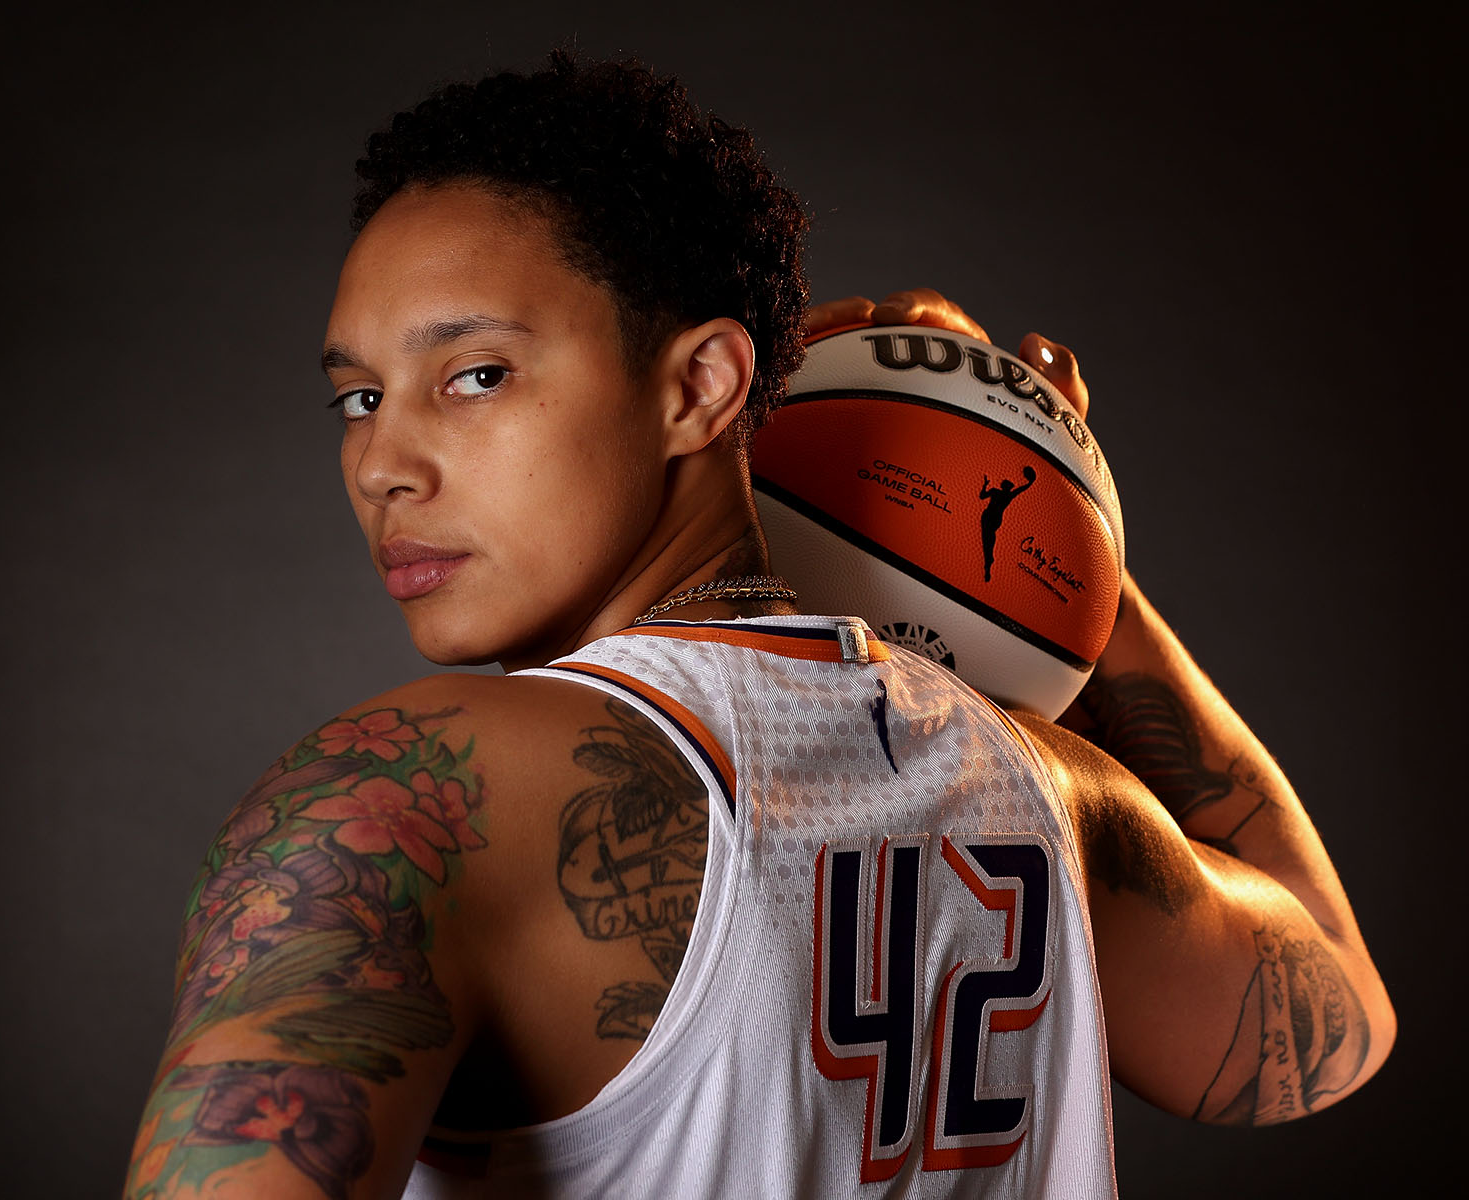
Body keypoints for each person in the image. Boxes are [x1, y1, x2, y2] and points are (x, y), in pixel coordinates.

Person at [123, 54, 1394, 1200]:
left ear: (701, 386)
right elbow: (1330, 1013)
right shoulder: (1047, 792)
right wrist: (1061, 536)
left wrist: (1057, 522)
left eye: (475, 375)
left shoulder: (401, 801)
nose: (383, 463)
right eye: (358, 396)